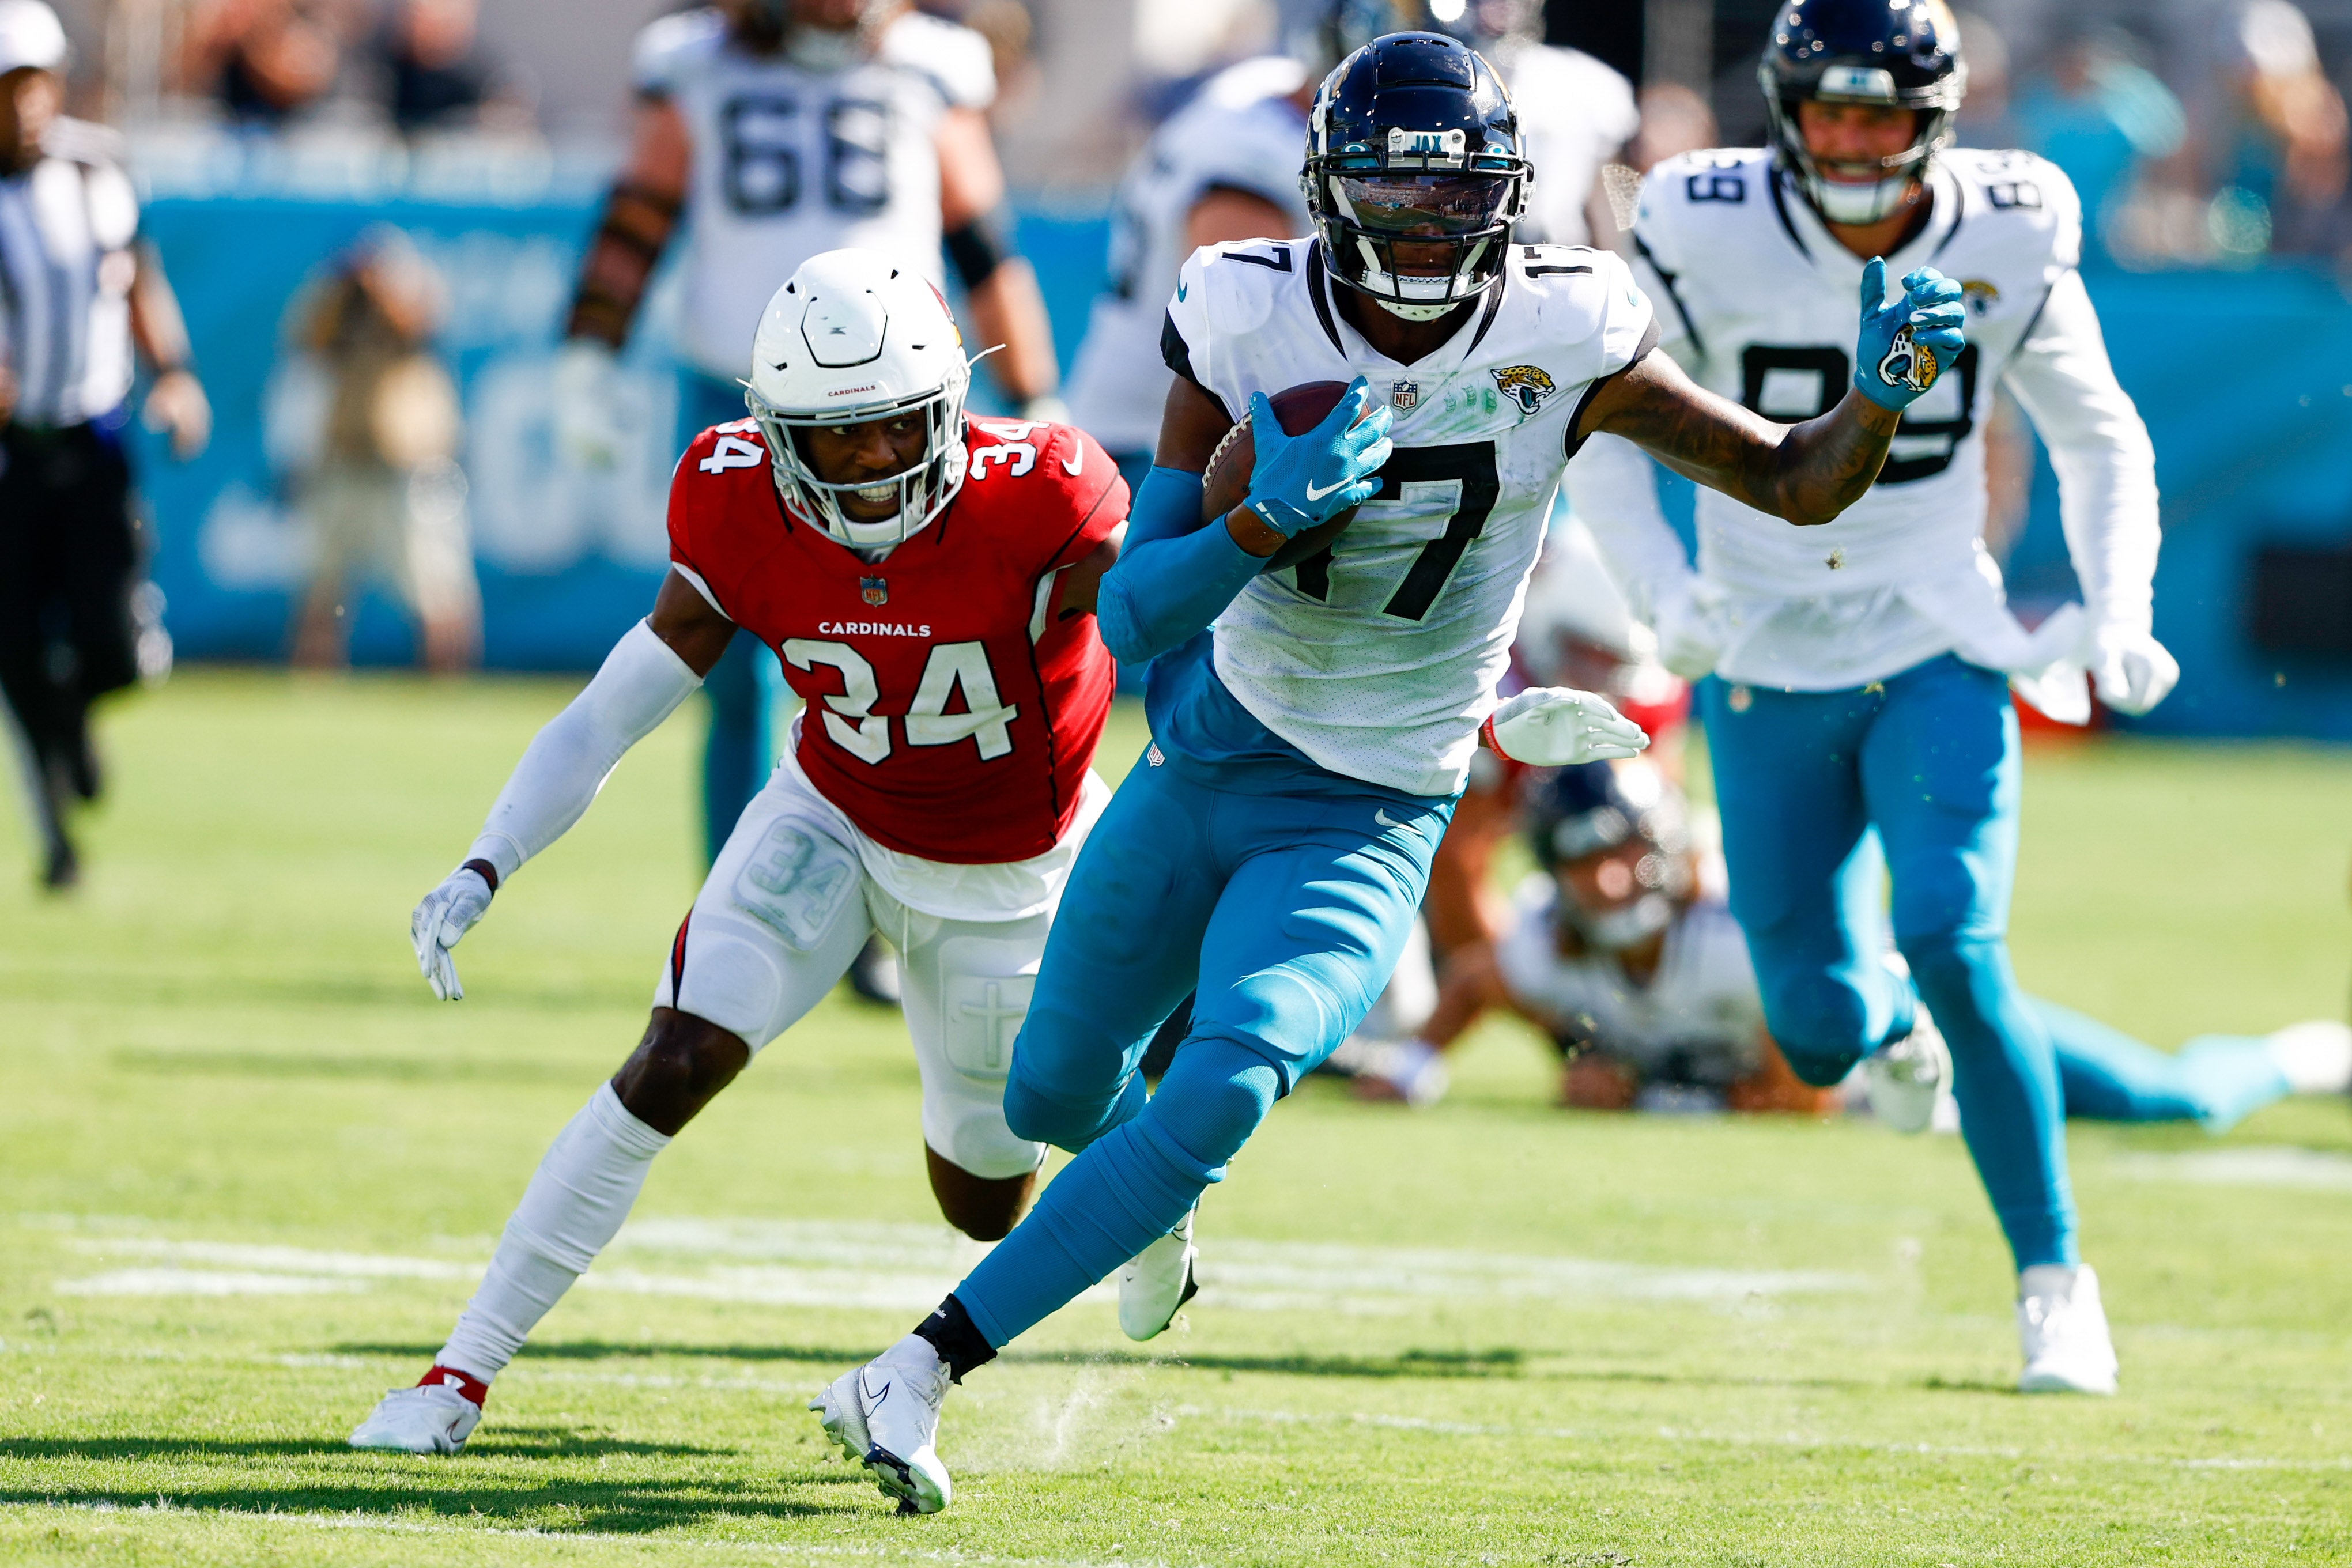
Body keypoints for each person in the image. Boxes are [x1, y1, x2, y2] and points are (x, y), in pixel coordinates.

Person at [811, 28, 1969, 1514]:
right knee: (1047, 1089)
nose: (1426, 227)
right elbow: (1134, 613)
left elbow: (1793, 477)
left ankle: (917, 1366)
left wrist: (1879, 398)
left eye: (1457, 195)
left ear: (1511, 195)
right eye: (1393, 192)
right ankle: (1146, 1210)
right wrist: (1254, 522)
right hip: (1209, 758)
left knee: (1225, 1080)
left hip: (1371, 805)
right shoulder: (1242, 309)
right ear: (1326, 190)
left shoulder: (1568, 323)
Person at [348, 251, 1127, 1456]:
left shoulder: (1047, 495)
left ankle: (1145, 1164)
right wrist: (490, 857)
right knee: (673, 1057)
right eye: (839, 436)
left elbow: (1178, 608)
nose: (876, 463)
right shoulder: (736, 497)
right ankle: (456, 1377)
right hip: (835, 815)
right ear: (776, 433)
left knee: (982, 1200)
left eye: (897, 426)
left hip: (1009, 869)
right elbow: (614, 708)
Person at [1564, 0, 2173, 1396]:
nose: (1848, 139)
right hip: (1765, 655)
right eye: (1826, 110)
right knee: (1820, 1025)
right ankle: (1892, 1033)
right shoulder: (1703, 220)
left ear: (1935, 119)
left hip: (1931, 636)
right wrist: (1663, 590)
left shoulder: (2007, 223)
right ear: (1784, 111)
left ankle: (2053, 1279)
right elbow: (1600, 425)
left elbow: (2100, 437)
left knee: (1954, 933)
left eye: (1878, 112)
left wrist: (2121, 605)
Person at [552, 0, 1064, 875]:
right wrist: (587, 356)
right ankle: (744, 892)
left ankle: (894, 886)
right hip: (744, 394)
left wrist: (1034, 392)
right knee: (729, 659)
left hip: (900, 407)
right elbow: (637, 218)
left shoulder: (924, 64)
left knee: (911, 652)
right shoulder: (699, 62)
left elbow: (983, 245)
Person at [1355, 761, 2352, 1127]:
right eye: (1583, 863)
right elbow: (1479, 980)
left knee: (2165, 1101)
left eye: (1624, 854)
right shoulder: (1551, 944)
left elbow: (1806, 1095)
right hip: (1881, 1101)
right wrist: (1416, 1064)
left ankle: (2311, 1056)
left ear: (1669, 847)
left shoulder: (1734, 937)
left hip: (1926, 1039)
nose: (1609, 882)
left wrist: (1644, 1095)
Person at [0, 0, 210, 891]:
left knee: (115, 649)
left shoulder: (96, 165)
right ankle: (57, 838)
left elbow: (137, 280)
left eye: (33, 84)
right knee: (14, 646)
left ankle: (76, 714)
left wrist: (176, 373)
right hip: (10, 454)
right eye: (7, 89)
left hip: (93, 439)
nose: (24, 105)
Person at [286, 226, 480, 673]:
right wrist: (344, 291)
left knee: (435, 588)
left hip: (410, 467)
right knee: (321, 587)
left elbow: (419, 325)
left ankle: (449, 685)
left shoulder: (413, 298)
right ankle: (311, 684)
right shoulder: (339, 311)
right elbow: (308, 340)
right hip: (345, 463)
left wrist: (383, 288)